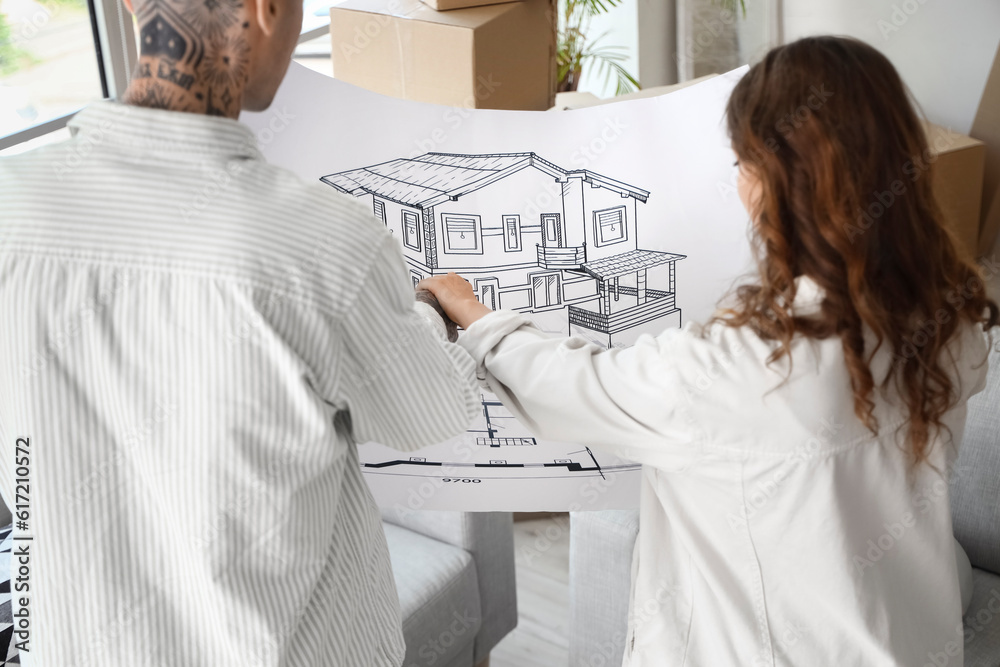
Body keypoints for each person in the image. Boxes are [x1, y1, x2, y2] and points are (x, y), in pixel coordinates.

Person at [420, 36, 998, 666]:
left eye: (743, 165)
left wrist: (475, 315)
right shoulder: (950, 314)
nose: (740, 185)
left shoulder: (751, 368)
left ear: (779, 181)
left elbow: (574, 387)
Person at [0, 0, 479, 662]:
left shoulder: (9, 203)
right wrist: (431, 308)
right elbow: (427, 412)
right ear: (267, 9)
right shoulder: (324, 243)